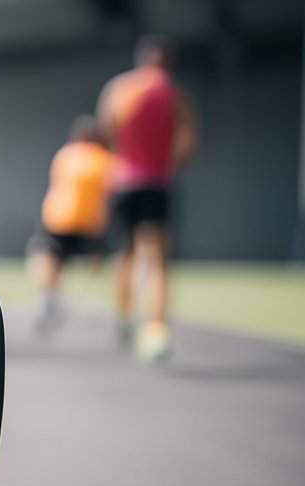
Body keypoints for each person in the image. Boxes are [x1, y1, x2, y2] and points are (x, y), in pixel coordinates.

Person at [97, 34, 199, 362]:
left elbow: (108, 130)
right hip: (155, 184)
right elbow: (188, 146)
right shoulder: (177, 97)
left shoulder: (118, 89)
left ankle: (124, 318)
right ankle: (155, 330)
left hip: (123, 183)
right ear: (169, 61)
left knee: (125, 252)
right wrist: (166, 164)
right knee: (155, 257)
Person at [26, 115, 114, 333]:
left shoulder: (64, 155)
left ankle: (51, 299)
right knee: (92, 262)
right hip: (90, 225)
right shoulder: (104, 159)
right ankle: (121, 314)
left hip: (59, 220)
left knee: (48, 258)